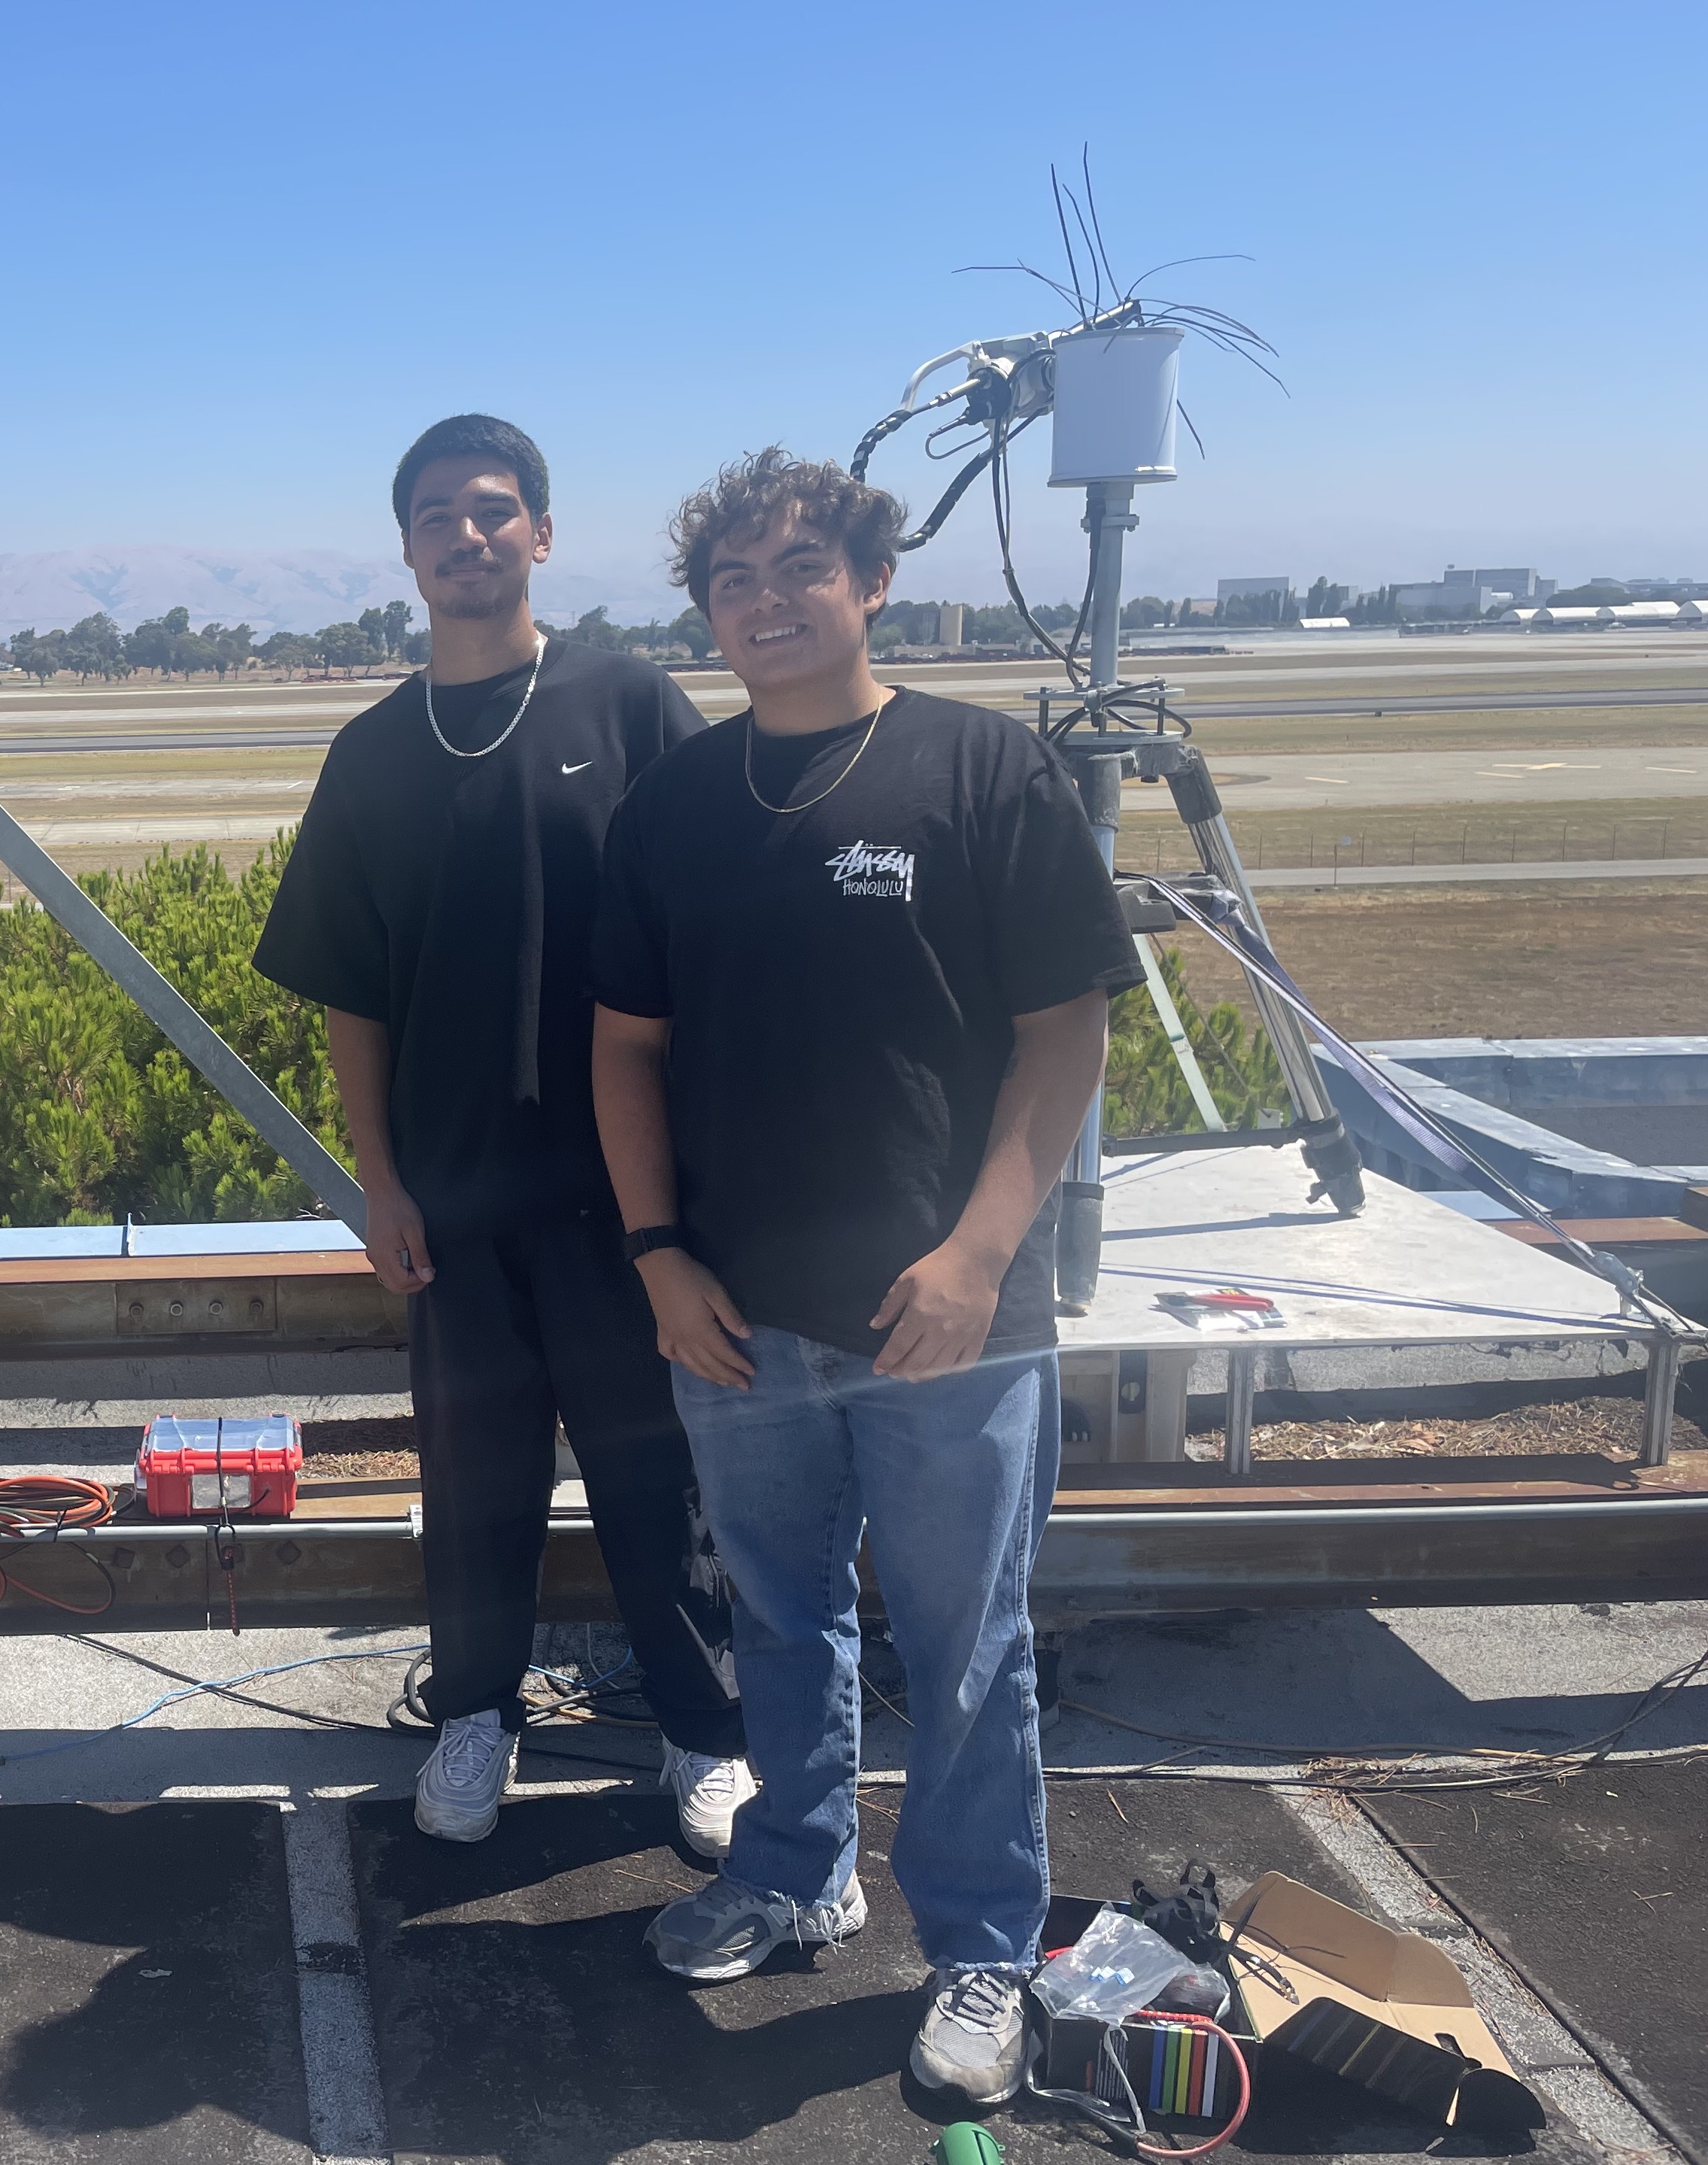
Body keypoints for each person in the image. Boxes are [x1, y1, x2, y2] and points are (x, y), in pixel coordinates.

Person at [587, 450, 1138, 2106]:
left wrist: (981, 1251)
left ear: (871, 579)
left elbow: (1066, 1034)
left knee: (965, 1647)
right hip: (736, 1319)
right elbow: (624, 1051)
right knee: (779, 1610)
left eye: (799, 566)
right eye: (734, 579)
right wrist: (659, 1258)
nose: (766, 600)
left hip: (946, 1322)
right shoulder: (675, 806)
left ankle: (979, 1948)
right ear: (706, 612)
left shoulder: (980, 772)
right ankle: (791, 1865)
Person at [254, 414, 753, 1852]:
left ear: (540, 532)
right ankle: (473, 1716)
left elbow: (705, 947)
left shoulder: (628, 706)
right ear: (405, 550)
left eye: (491, 510)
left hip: (628, 1204)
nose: (463, 536)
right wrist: (380, 1183)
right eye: (434, 517)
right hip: (454, 1209)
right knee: (470, 1484)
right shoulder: (369, 757)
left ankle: (704, 1731)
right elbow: (353, 994)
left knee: (656, 1474)